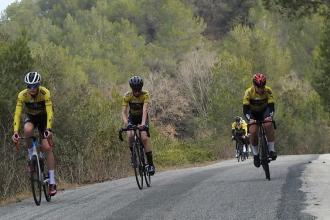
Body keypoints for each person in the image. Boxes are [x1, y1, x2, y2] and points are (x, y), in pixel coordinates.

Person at [12, 72, 57, 196]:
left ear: (38, 85)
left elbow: (49, 112)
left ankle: (52, 181)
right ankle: (31, 156)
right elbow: (17, 113)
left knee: (47, 147)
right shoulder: (22, 95)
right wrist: (15, 131)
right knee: (27, 130)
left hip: (44, 118)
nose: (32, 89)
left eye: (34, 86)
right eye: (29, 86)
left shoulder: (45, 93)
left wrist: (48, 129)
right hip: (31, 117)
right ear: (26, 86)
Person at [122, 76, 155, 175]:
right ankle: (133, 155)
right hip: (132, 118)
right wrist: (127, 124)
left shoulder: (145, 95)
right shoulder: (127, 96)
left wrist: (143, 123)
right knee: (130, 135)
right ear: (132, 89)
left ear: (141, 88)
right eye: (134, 90)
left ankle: (150, 164)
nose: (136, 92)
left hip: (142, 118)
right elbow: (123, 112)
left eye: (138, 89)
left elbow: (145, 110)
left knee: (144, 138)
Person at [243, 73, 277, 168]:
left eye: (262, 86)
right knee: (253, 131)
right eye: (258, 87)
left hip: (264, 112)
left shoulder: (268, 90)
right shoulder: (248, 92)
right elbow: (245, 109)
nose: (261, 89)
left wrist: (270, 116)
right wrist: (250, 119)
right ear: (254, 85)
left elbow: (271, 106)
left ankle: (271, 150)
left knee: (268, 125)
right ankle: (256, 154)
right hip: (252, 113)